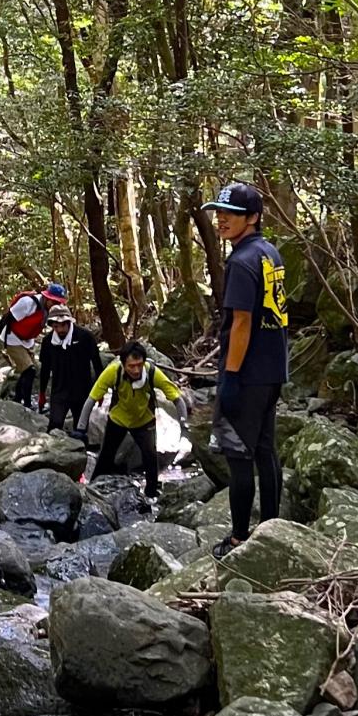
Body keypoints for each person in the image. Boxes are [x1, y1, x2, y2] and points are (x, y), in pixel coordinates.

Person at [199, 182, 289, 559]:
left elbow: (241, 322)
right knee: (266, 450)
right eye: (219, 212)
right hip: (272, 369)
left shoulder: (240, 261)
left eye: (231, 213)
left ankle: (239, 538)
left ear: (251, 218)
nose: (221, 219)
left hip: (247, 371)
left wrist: (231, 376)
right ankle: (271, 528)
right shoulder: (271, 253)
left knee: (238, 456)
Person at [77, 340, 188, 497]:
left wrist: (184, 427)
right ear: (123, 364)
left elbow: (177, 399)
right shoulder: (113, 372)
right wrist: (81, 428)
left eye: (139, 365)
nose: (136, 370)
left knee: (150, 457)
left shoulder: (151, 372)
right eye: (131, 366)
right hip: (118, 420)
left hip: (144, 421)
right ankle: (92, 490)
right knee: (106, 456)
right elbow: (91, 399)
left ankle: (151, 495)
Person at [0, 281, 69, 406]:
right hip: (12, 338)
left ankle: (18, 399)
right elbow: (7, 318)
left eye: (59, 302)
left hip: (27, 340)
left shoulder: (49, 310)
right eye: (54, 301)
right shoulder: (28, 303)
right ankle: (27, 404)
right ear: (47, 298)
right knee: (29, 370)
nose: (56, 305)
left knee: (28, 371)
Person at [37, 303, 102, 436]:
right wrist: (42, 393)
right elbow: (45, 369)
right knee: (54, 426)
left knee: (81, 429)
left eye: (63, 325)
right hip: (59, 390)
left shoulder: (85, 337)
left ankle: (82, 454)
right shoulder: (48, 342)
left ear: (69, 322)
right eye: (56, 326)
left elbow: (97, 363)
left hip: (82, 390)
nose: (60, 329)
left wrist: (100, 392)